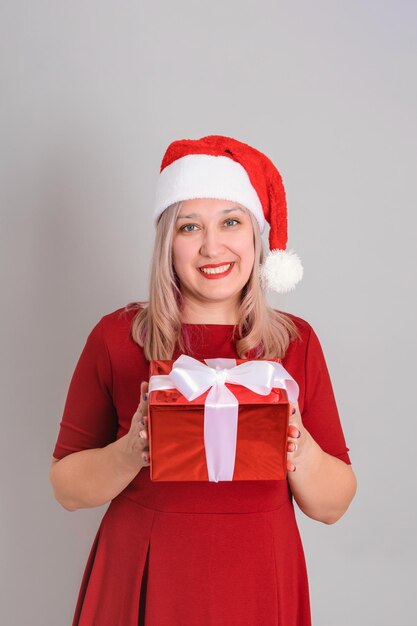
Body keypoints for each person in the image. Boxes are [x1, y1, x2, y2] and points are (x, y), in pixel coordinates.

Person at [49, 134, 357, 626]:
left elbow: (331, 505)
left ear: (256, 237)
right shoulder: (117, 337)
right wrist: (133, 449)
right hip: (144, 567)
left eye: (231, 222)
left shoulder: (297, 342)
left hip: (260, 572)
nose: (212, 246)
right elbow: (67, 489)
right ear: (168, 243)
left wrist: (297, 446)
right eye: (189, 226)